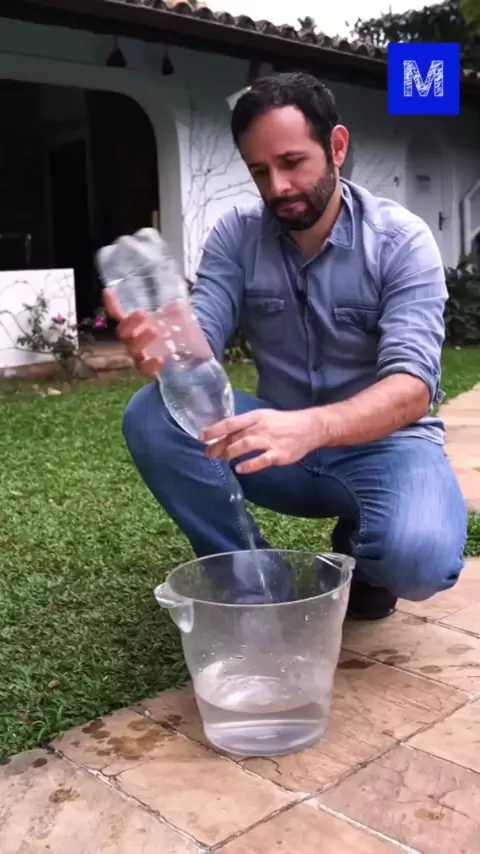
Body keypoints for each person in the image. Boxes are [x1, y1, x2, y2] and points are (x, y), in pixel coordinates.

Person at [104, 71, 467, 621]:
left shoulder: (402, 241)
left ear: (336, 147)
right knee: (151, 415)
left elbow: (413, 387)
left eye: (292, 162)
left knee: (419, 559)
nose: (277, 187)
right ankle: (250, 576)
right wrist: (167, 342)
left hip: (384, 448)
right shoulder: (237, 235)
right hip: (275, 448)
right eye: (259, 171)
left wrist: (311, 427)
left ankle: (364, 556)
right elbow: (201, 340)